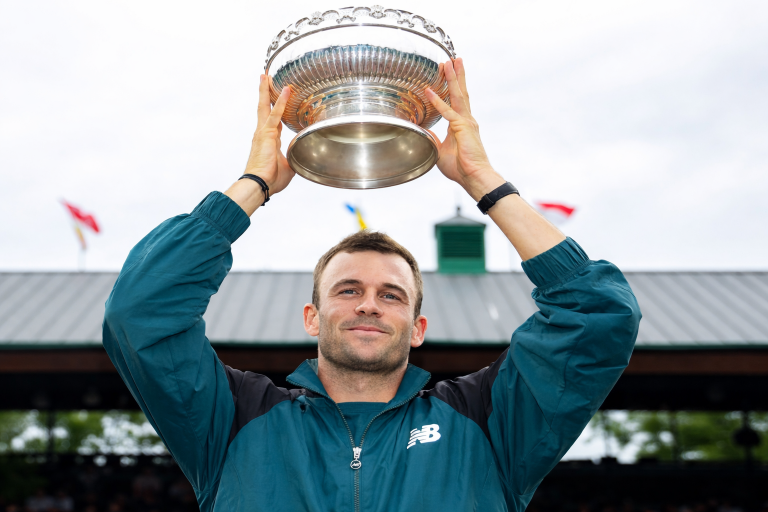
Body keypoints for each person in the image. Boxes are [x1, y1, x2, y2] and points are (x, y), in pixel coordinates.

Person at [102, 58, 641, 512]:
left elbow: (597, 315)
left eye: (391, 295)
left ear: (417, 328)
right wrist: (254, 183)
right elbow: (141, 312)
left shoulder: (489, 422)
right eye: (347, 289)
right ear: (311, 317)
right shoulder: (231, 419)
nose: (369, 305)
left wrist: (482, 179)